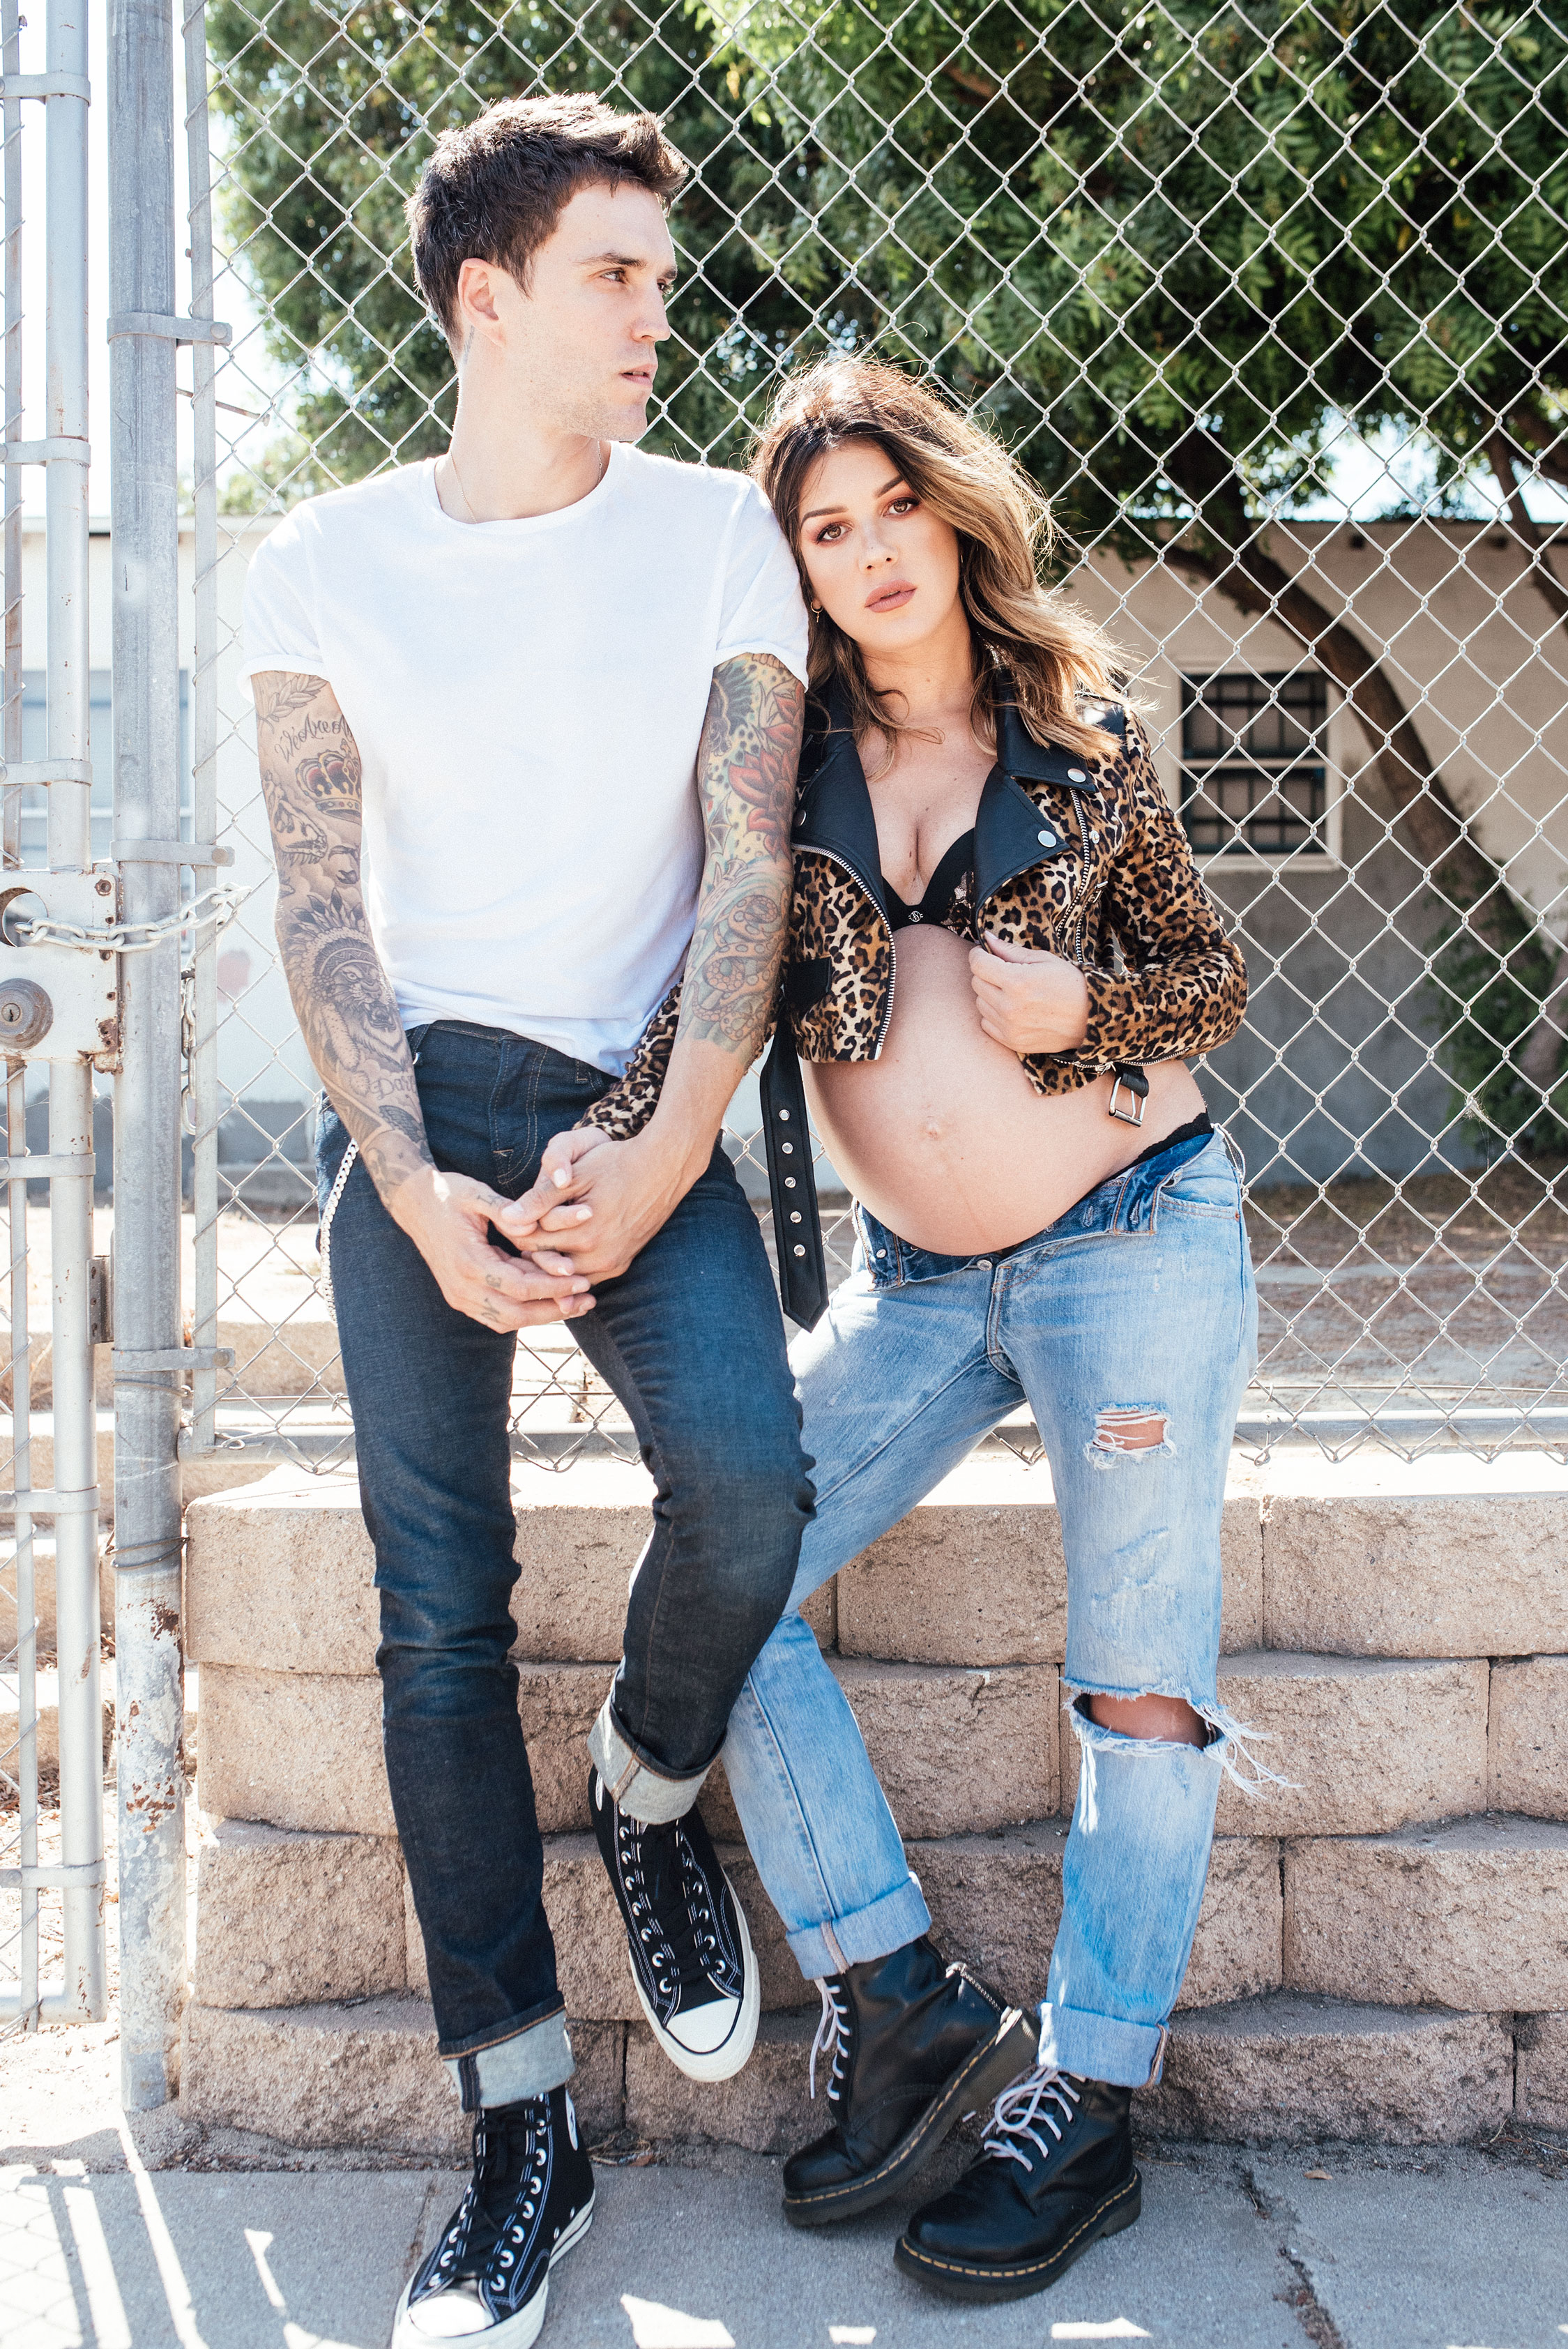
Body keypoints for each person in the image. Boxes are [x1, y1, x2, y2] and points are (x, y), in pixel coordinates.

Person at [516, 356, 1259, 2309]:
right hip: (921, 1285)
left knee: (1139, 1688)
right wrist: (580, 1160)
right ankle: (900, 1987)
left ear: (950, 513)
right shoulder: (777, 773)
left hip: (1135, 1241)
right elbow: (702, 1001)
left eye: (888, 511)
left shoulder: (1084, 742)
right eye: (822, 531)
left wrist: (1081, 1015)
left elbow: (1204, 979)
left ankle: (1085, 2098)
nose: (865, 555)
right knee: (729, 1564)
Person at [241, 93, 817, 2349]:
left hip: (638, 1089)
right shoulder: (318, 559)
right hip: (424, 1119)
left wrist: (670, 1138)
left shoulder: (711, 538)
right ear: (487, 302)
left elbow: (750, 863)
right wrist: (409, 1175)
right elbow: (316, 898)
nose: (658, 310)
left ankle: (652, 1787)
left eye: (659, 274)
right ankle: (516, 2131)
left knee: (749, 1490)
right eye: (616, 274)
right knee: (434, 1618)